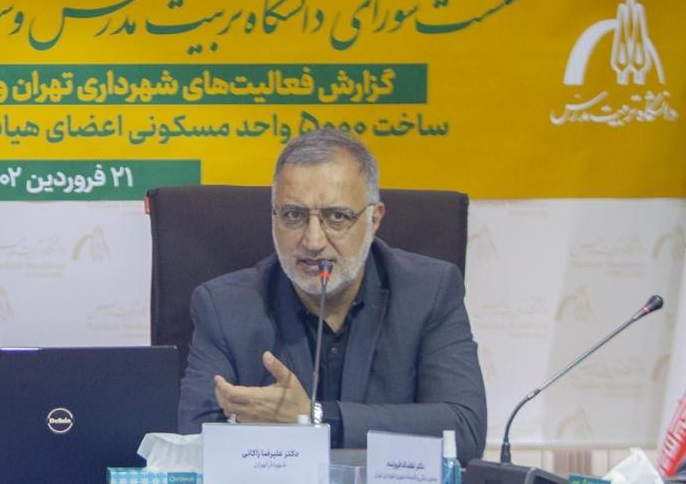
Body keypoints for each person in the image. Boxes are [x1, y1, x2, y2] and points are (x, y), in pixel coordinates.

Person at [178, 128, 487, 463]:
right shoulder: (225, 307)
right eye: (294, 215)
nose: (313, 241)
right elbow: (194, 439)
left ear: (374, 219)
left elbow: (463, 429)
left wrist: (315, 417)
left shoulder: (429, 292)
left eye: (337, 217)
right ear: (274, 217)